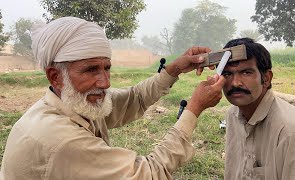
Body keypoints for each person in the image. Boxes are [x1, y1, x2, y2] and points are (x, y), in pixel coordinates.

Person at [0, 17, 226, 180]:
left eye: (106, 67)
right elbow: (148, 174)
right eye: (90, 70)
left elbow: (135, 98)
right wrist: (194, 108)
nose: (105, 82)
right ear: (55, 76)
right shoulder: (60, 139)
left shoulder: (77, 102)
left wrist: (174, 69)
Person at [222, 38, 295, 180]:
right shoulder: (233, 114)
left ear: (266, 78)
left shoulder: (290, 131)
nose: (235, 82)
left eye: (246, 72)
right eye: (227, 74)